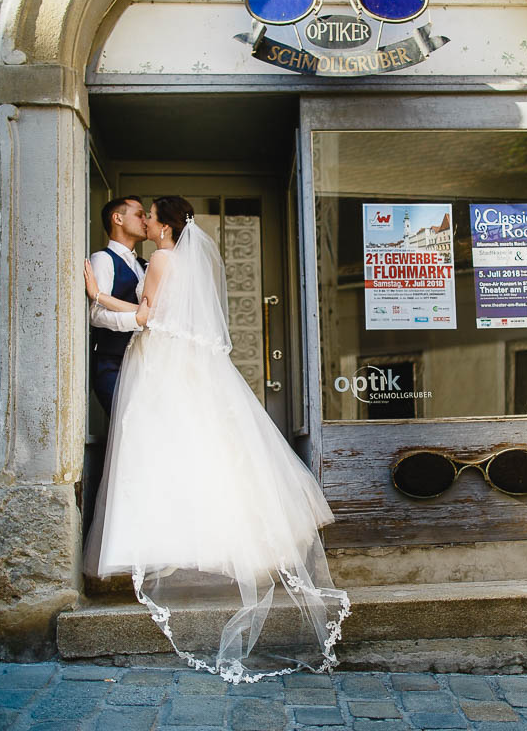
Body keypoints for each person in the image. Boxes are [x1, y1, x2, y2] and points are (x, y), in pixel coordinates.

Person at [82, 196, 350, 683]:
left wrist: (98, 296)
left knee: (154, 453)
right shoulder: (174, 260)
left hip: (157, 358)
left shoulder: (160, 260)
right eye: (137, 213)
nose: (145, 220)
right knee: (196, 451)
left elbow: (146, 317)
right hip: (173, 359)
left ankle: (161, 544)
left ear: (163, 226)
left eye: (151, 215)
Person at [88, 196, 149, 416]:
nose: (146, 220)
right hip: (111, 363)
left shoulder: (144, 265)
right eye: (139, 214)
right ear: (118, 218)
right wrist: (136, 319)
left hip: (142, 364)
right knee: (127, 423)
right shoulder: (103, 259)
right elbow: (95, 314)